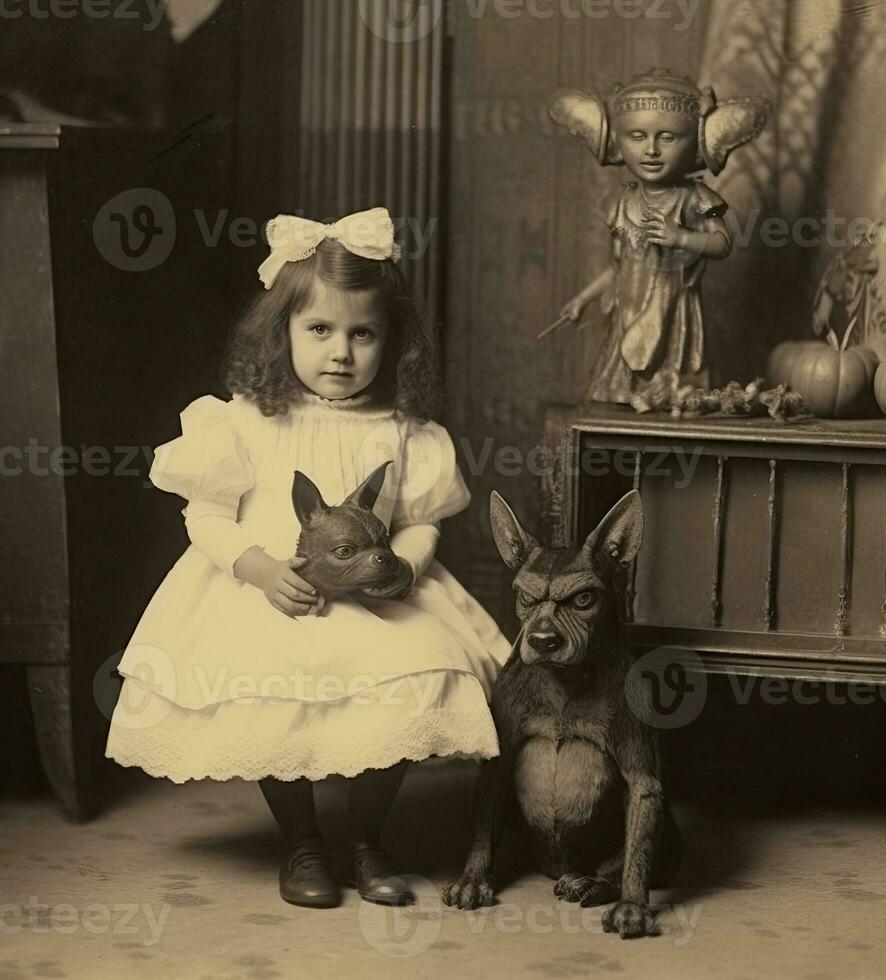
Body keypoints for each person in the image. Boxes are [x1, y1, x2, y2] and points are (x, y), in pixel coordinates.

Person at [105, 207, 512, 910]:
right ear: (282, 331)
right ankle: (301, 842)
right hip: (272, 592)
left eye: (363, 334)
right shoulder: (243, 420)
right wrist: (259, 569)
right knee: (276, 696)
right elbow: (203, 514)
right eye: (319, 330)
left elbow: (419, 524)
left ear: (392, 342)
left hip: (377, 593)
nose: (341, 352)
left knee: (410, 679)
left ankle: (365, 839)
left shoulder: (402, 429)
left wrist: (406, 568)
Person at [551, 68, 768, 411]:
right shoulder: (623, 201)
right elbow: (619, 268)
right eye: (637, 136)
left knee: (674, 389)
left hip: (674, 309)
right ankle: (628, 395)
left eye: (668, 138)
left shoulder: (697, 198)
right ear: (617, 142)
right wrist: (583, 299)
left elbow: (722, 244)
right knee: (621, 386)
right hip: (628, 312)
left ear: (695, 141)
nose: (651, 150)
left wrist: (680, 236)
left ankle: (673, 395)